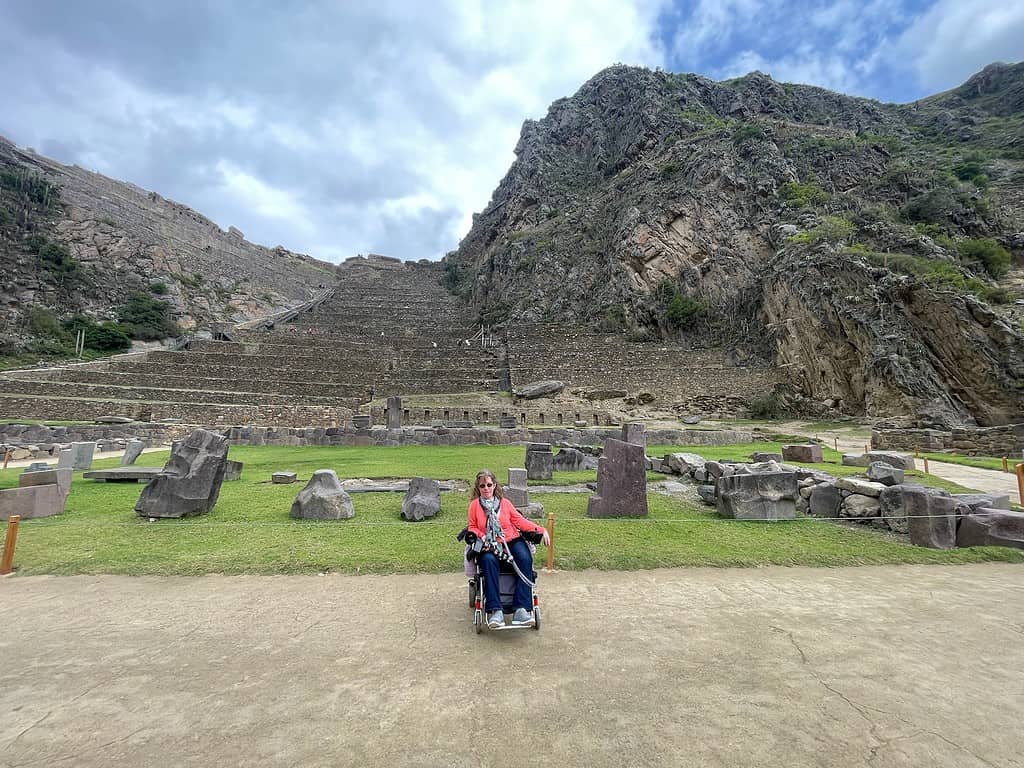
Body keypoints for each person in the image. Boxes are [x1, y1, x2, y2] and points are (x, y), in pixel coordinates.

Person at [467, 469, 550, 629]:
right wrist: (481, 535)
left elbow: (519, 521)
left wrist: (540, 530)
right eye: (482, 485)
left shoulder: (505, 504)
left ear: (494, 485)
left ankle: (521, 609)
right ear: (478, 488)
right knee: (488, 561)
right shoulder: (474, 507)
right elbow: (472, 527)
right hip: (489, 544)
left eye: (489, 484)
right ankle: (495, 610)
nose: (486, 488)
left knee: (525, 558)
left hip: (511, 540)